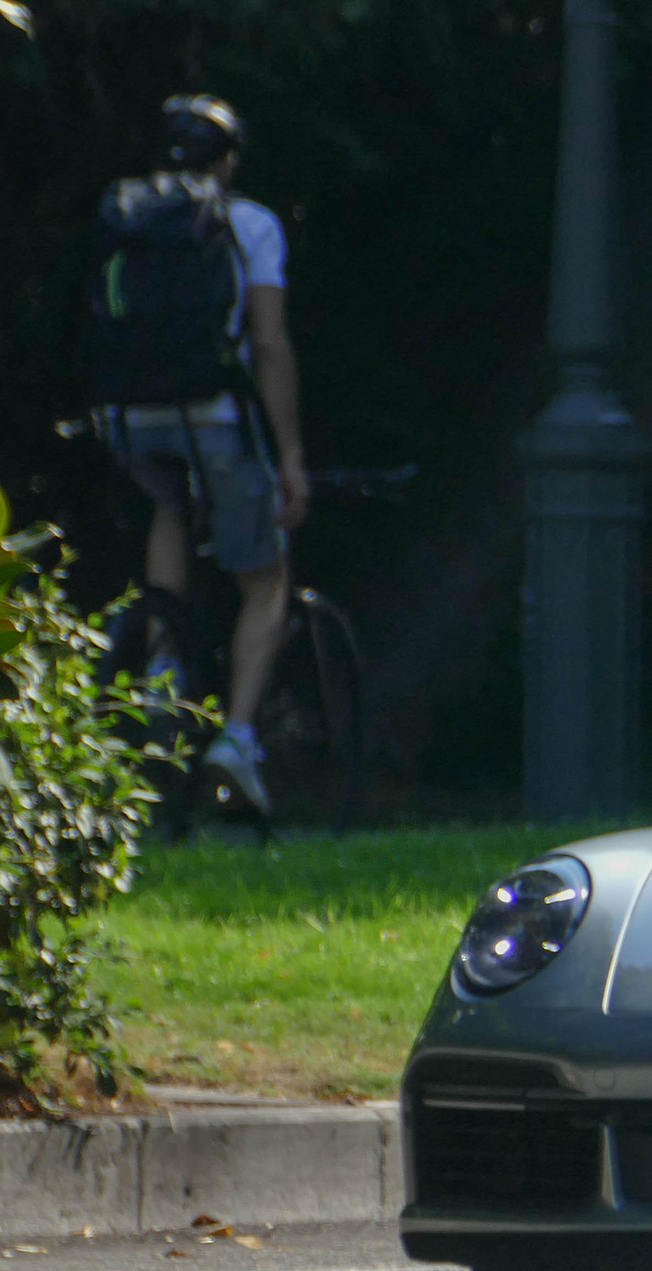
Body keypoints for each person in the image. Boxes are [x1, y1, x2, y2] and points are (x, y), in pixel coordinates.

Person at [92, 94, 308, 817]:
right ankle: (237, 740)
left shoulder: (126, 215)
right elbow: (270, 343)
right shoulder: (249, 224)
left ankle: (159, 665)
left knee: (167, 506)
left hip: (127, 414)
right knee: (266, 580)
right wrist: (291, 454)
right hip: (213, 415)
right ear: (229, 160)